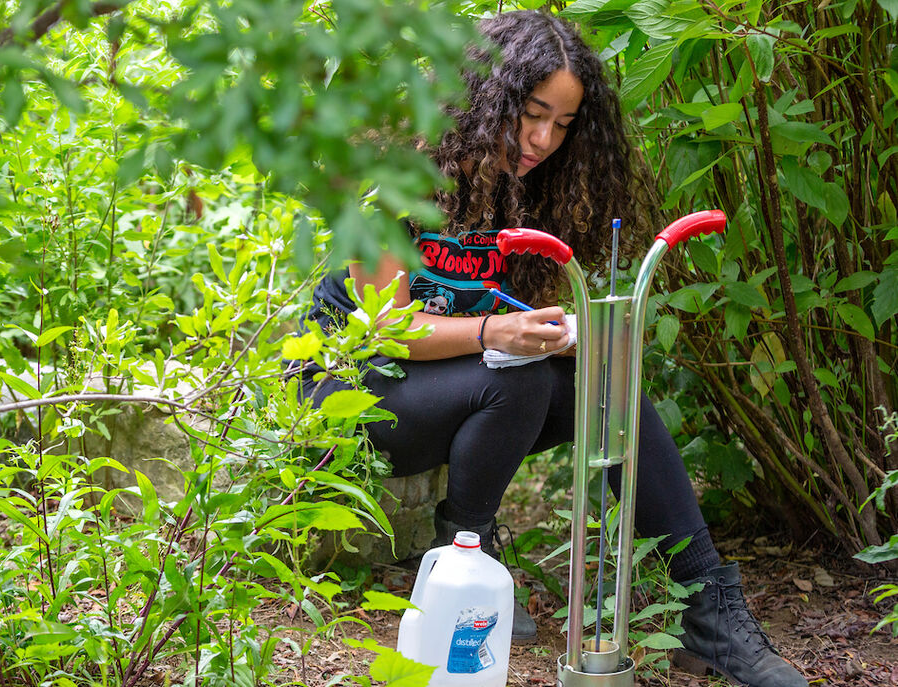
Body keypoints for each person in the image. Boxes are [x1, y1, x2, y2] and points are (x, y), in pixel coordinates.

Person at [299, 10, 806, 687]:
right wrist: (495, 334)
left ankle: (706, 602)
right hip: (356, 395)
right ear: (488, 96)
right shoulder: (397, 168)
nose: (544, 139)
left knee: (603, 380)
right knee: (521, 381)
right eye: (532, 113)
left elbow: (508, 321)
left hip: (458, 386)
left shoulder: (530, 187)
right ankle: (462, 556)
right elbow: (384, 328)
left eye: (564, 124)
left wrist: (560, 333)